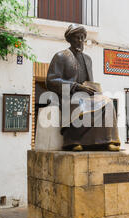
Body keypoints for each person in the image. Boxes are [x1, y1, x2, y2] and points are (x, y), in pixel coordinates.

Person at [46, 24, 121, 152]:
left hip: (86, 95)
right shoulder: (61, 56)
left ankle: (107, 141)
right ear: (70, 39)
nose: (80, 41)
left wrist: (92, 88)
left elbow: (89, 81)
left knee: (107, 102)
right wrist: (75, 86)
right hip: (68, 95)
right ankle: (72, 141)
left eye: (82, 38)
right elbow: (51, 80)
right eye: (77, 38)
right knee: (78, 103)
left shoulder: (88, 59)